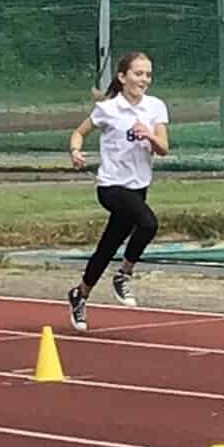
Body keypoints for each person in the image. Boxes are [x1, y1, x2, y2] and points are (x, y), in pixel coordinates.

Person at [65, 51, 169, 333]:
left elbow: (163, 148)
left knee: (108, 246)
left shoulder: (155, 107)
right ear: (123, 77)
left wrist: (149, 135)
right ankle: (124, 274)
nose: (144, 79)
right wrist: (75, 151)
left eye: (148, 74)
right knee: (148, 223)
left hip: (138, 187)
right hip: (111, 186)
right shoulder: (108, 109)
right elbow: (79, 132)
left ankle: (80, 294)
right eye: (138, 73)